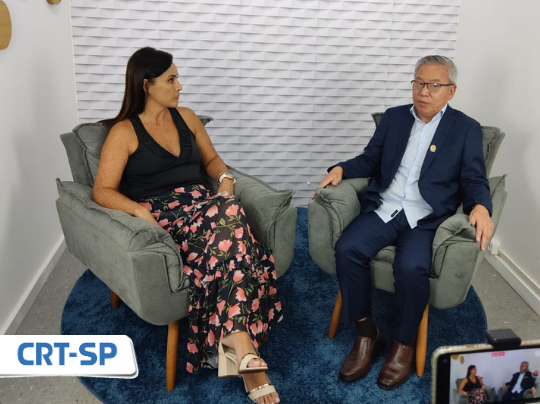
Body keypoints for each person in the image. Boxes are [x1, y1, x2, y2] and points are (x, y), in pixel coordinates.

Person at [94, 47, 282, 404]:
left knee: (228, 213)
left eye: (177, 78)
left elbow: (212, 159)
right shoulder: (124, 132)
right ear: (147, 85)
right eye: (171, 79)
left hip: (204, 207)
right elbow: (102, 190)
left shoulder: (187, 117)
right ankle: (242, 347)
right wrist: (138, 212)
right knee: (235, 226)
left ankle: (236, 343)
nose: (179, 86)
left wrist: (225, 179)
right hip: (164, 218)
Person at [318, 55, 494, 390]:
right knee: (348, 248)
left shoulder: (465, 128)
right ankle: (367, 333)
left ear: (451, 90)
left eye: (434, 85)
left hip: (425, 217)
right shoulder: (395, 117)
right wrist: (341, 168)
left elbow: (474, 178)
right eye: (419, 82)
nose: (424, 91)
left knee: (412, 267)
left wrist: (482, 207)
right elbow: (370, 159)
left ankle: (404, 343)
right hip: (386, 207)